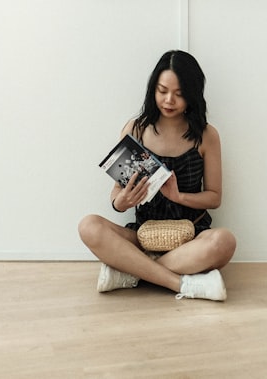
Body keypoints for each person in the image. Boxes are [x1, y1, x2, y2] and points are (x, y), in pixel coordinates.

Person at [78, 50, 236, 301]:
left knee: (224, 242)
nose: (169, 100)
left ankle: (131, 272)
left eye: (179, 93)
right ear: (153, 89)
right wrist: (122, 202)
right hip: (144, 235)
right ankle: (180, 283)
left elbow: (214, 198)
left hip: (191, 238)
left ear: (192, 95)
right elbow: (116, 195)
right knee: (89, 226)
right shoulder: (135, 129)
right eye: (162, 91)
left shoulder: (207, 135)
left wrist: (179, 196)